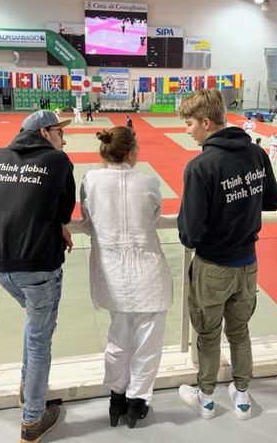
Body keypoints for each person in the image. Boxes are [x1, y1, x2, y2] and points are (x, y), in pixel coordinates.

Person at [176, 89, 277, 420]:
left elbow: (190, 233)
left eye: (189, 123)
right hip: (248, 263)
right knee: (240, 332)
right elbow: (272, 202)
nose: (187, 130)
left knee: (208, 334)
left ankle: (206, 398)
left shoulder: (201, 166)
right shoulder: (256, 153)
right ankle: (243, 397)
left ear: (206, 122)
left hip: (213, 265)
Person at [0, 110, 76, 443]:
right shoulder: (58, 161)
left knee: (34, 326)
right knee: (40, 340)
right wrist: (59, 225)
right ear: (44, 132)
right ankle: (33, 420)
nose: (63, 139)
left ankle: (27, 388)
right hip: (36, 263)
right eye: (59, 133)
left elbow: (4, 201)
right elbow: (65, 211)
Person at [80, 127, 172, 429]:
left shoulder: (90, 181)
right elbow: (155, 216)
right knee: (147, 344)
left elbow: (88, 219)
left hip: (112, 273)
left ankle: (116, 398)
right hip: (148, 271)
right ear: (131, 152)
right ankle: (136, 402)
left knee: (118, 339)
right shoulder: (148, 182)